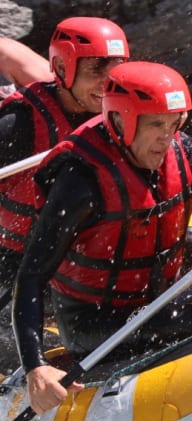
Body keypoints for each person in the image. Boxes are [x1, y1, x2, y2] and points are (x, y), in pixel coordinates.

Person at [12, 61, 192, 415]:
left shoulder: (181, 148)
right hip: (94, 323)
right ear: (120, 121)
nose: (166, 137)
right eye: (155, 124)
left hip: (157, 302)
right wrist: (35, 367)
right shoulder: (81, 181)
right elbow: (31, 277)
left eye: (174, 123)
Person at [0, 17, 130, 308]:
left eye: (116, 69)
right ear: (61, 68)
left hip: (93, 251)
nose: (108, 82)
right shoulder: (19, 123)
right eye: (96, 68)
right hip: (25, 262)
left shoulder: (123, 113)